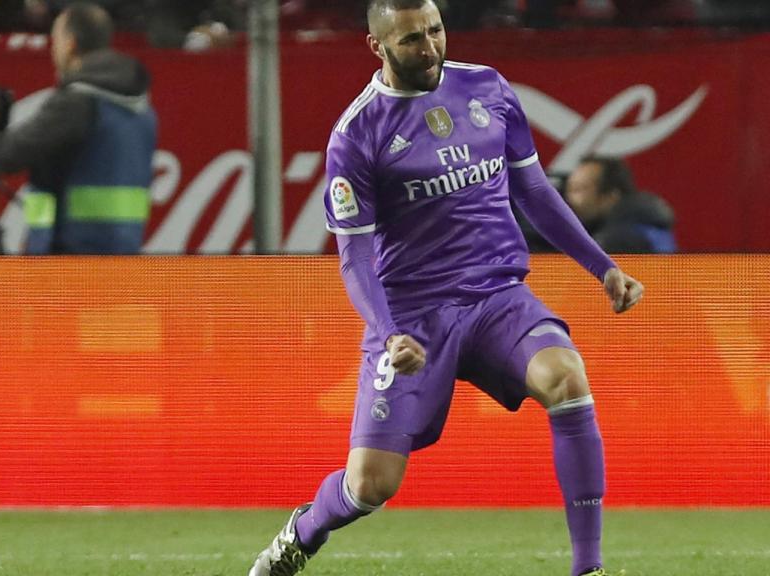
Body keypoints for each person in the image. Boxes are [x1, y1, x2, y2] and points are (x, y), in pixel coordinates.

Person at [247, 2, 644, 576]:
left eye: (435, 31)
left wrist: (602, 266)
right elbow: (355, 258)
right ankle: (302, 531)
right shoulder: (356, 135)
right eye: (412, 39)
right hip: (414, 316)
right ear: (375, 45)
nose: (430, 47)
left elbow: (532, 190)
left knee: (567, 378)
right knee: (370, 485)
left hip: (496, 296)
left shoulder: (488, 88)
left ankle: (590, 569)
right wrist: (389, 335)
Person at [0, 1, 157, 254]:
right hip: (121, 256)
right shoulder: (141, 107)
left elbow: (4, 155)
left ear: (70, 44)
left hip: (73, 261)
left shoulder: (78, 103)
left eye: (56, 40)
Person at [565, 156, 676, 253]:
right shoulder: (646, 223)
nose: (568, 198)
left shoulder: (617, 241)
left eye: (578, 189)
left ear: (611, 196)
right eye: (569, 189)